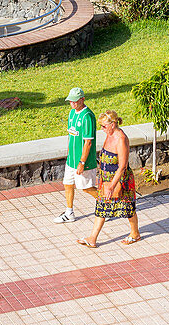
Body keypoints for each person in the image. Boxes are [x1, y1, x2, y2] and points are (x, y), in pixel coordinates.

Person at [78, 110, 140, 247]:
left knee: (128, 207)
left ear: (113, 124)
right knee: (102, 206)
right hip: (106, 179)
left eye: (104, 126)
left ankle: (135, 233)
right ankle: (92, 238)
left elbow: (122, 166)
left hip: (119, 180)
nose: (102, 129)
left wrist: (112, 186)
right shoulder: (109, 134)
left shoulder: (121, 139)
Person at [55, 87, 98, 223]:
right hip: (71, 161)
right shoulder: (72, 114)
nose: (72, 104)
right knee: (68, 184)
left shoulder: (87, 117)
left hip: (83, 162)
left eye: (75, 101)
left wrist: (82, 162)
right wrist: (69, 156)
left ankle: (107, 205)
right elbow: (71, 136)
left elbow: (88, 143)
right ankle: (69, 213)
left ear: (82, 99)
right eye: (70, 101)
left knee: (86, 188)